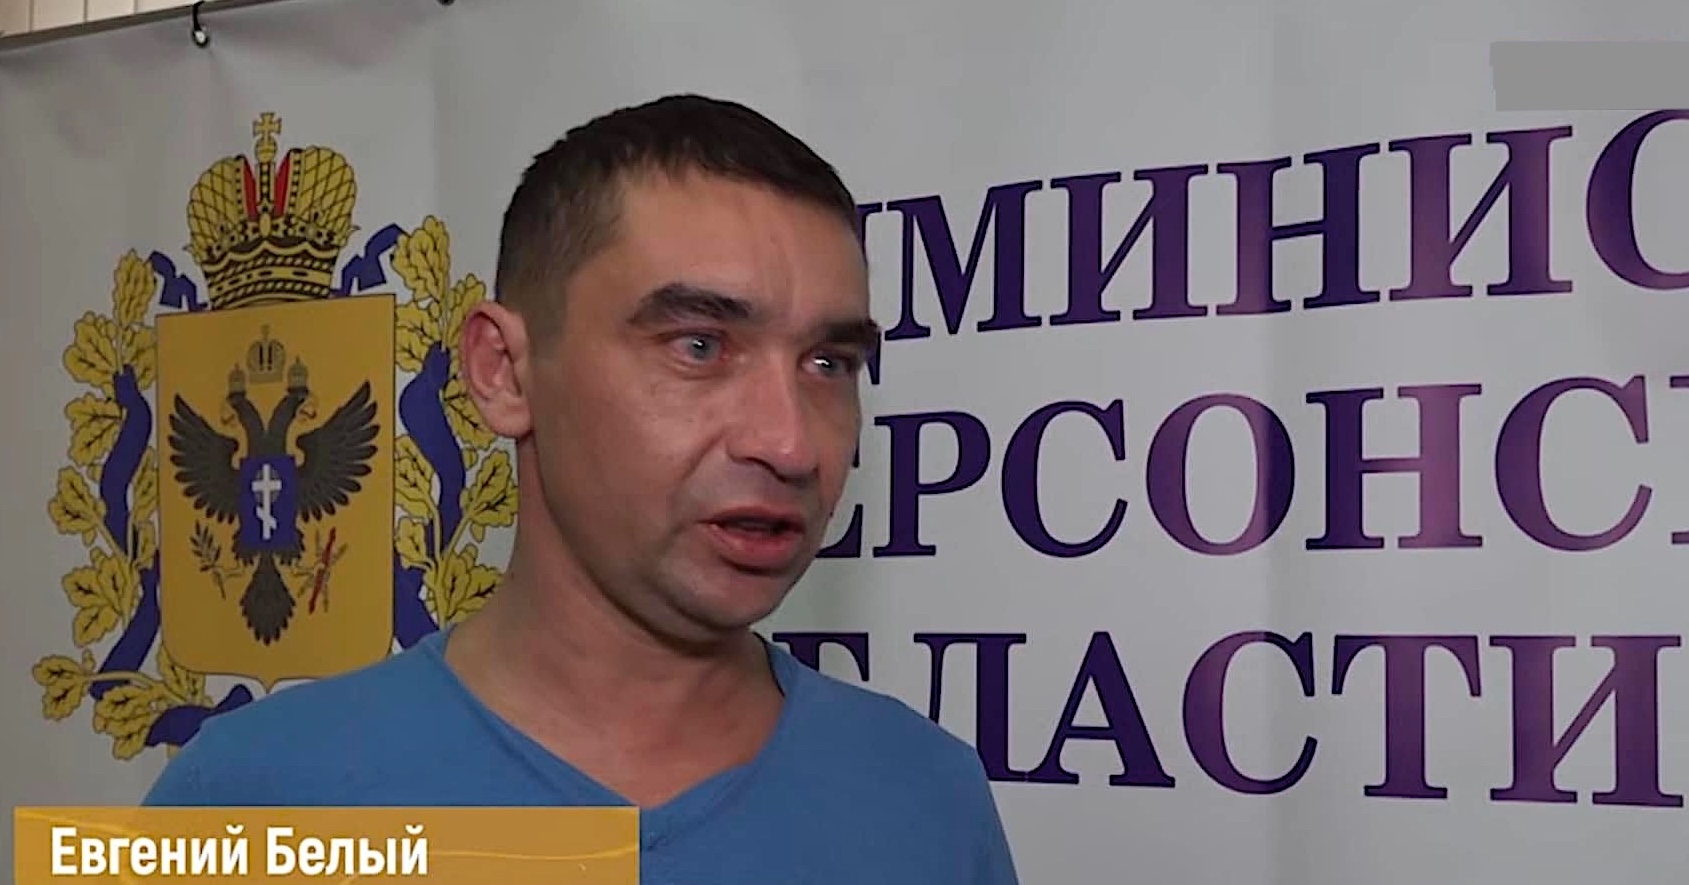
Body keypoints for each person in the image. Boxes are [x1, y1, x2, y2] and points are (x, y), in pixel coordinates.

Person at [142, 93, 1020, 884]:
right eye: (699, 346)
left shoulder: (928, 799)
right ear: (503, 371)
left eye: (829, 363)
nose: (789, 443)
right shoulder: (249, 802)